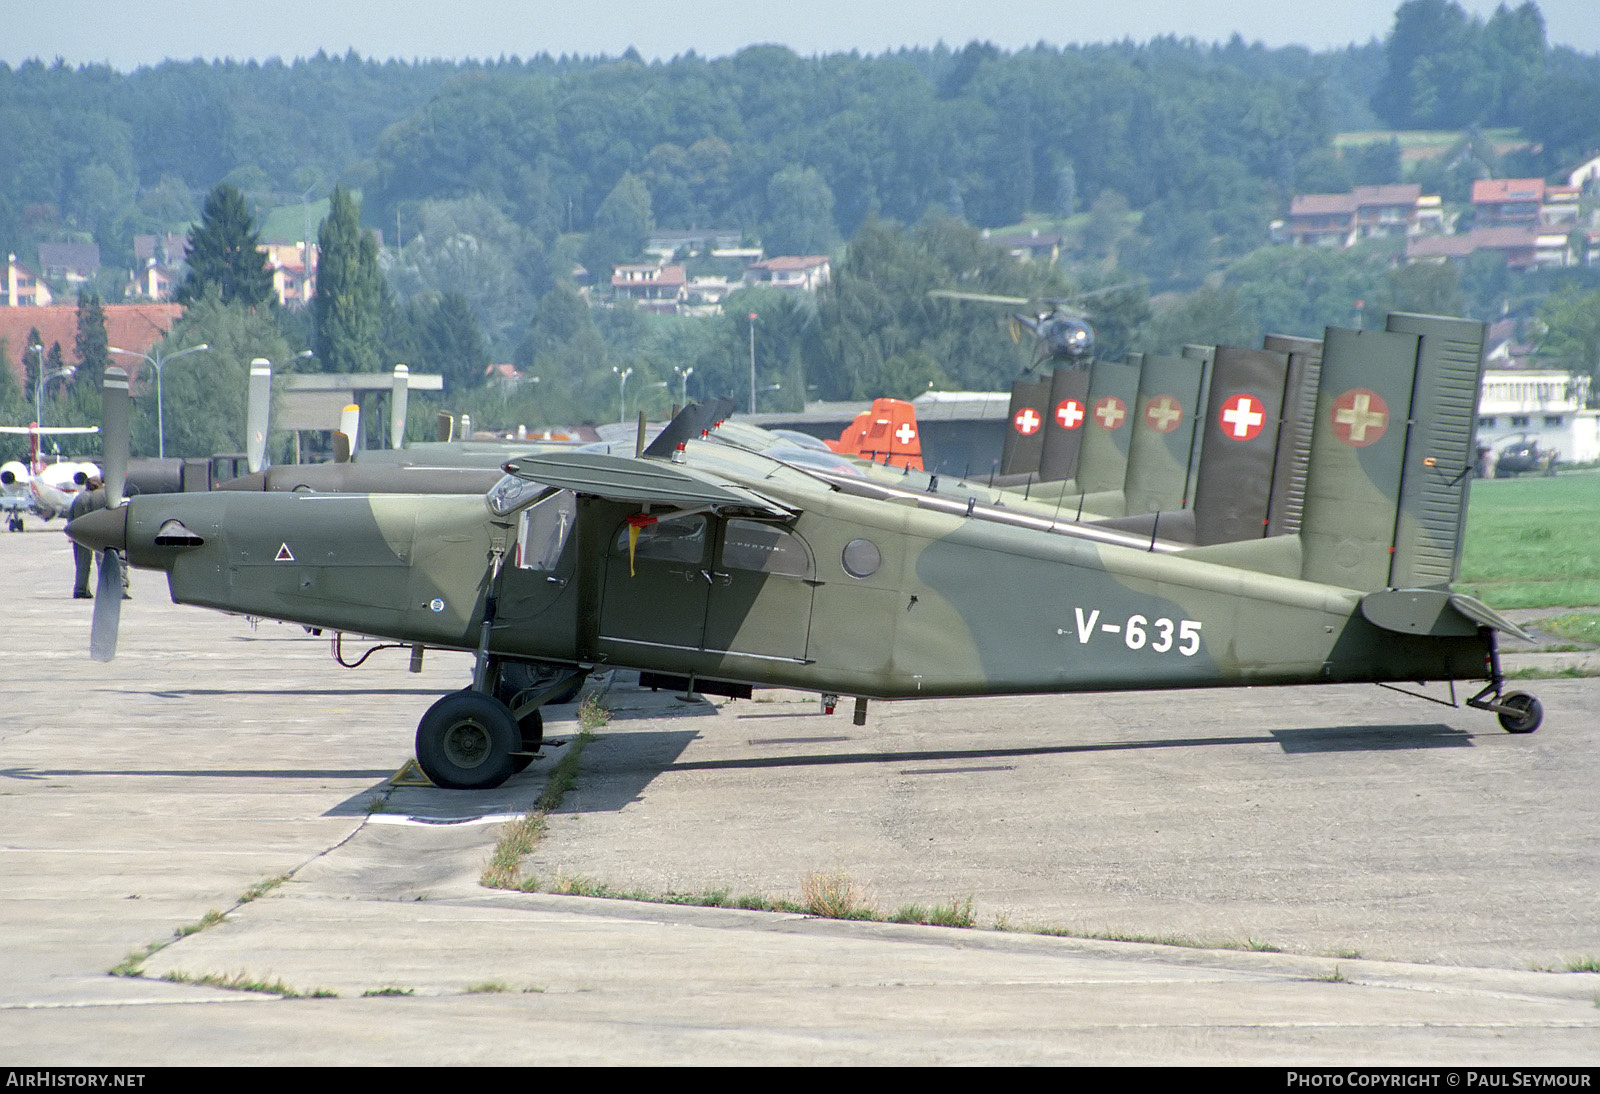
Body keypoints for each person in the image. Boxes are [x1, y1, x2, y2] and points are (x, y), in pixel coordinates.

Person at [67, 476, 130, 599]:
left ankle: (81, 589)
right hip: (103, 532)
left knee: (82, 561)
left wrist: (71, 534)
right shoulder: (106, 496)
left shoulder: (79, 497)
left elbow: (71, 516)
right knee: (106, 560)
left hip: (81, 532)